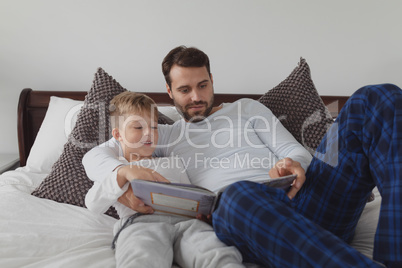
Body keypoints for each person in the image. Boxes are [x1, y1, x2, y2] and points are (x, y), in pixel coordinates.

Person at [83, 46, 401, 267]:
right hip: (246, 220)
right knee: (237, 195)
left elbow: (294, 151)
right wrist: (123, 176)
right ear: (169, 92)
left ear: (212, 80)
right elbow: (99, 153)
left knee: (375, 98)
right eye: (184, 90)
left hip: (305, 202)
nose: (196, 97)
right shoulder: (164, 134)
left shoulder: (247, 108)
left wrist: (294, 164)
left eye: (203, 85)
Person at [84, 91, 245, 268]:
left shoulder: (173, 162)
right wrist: (122, 174)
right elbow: (93, 203)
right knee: (142, 256)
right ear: (118, 135)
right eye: (138, 127)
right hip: (141, 224)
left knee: (216, 252)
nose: (149, 133)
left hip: (188, 224)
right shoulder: (116, 170)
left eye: (154, 127)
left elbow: (191, 194)